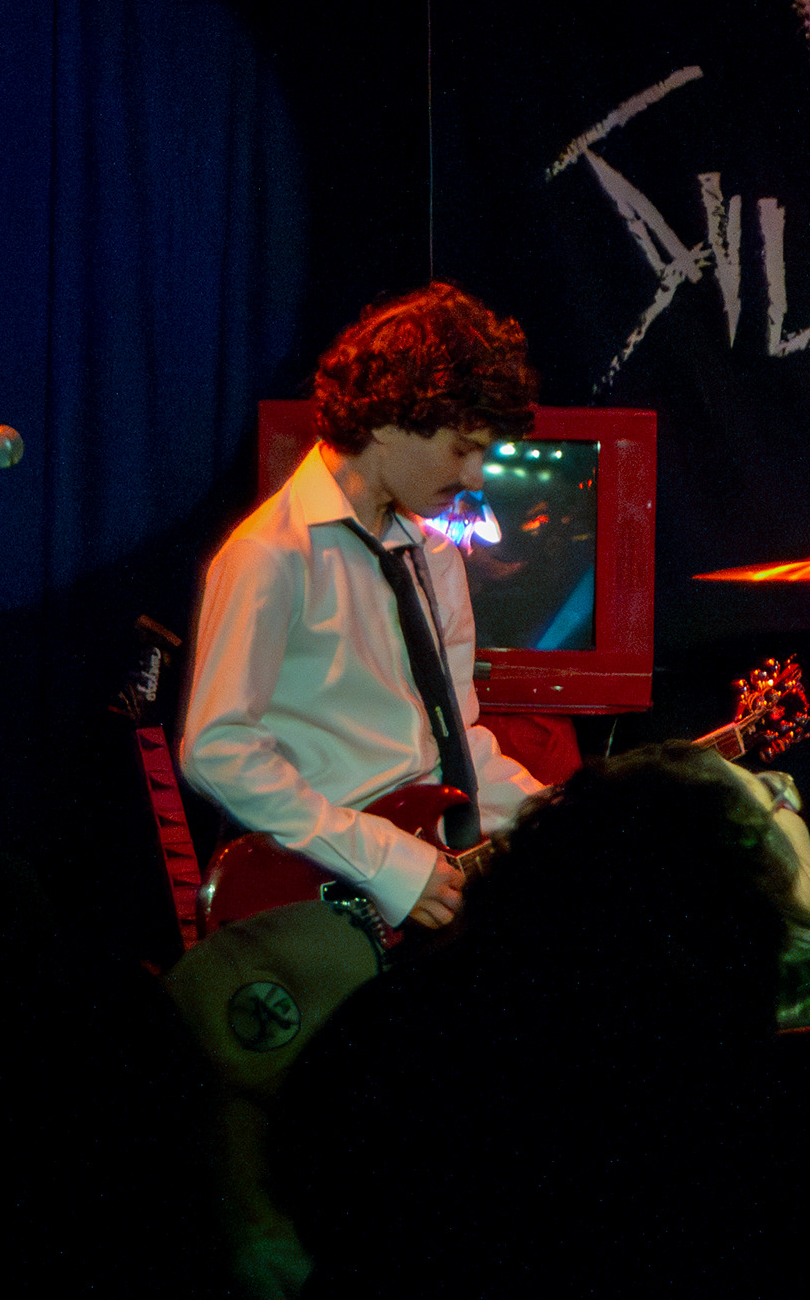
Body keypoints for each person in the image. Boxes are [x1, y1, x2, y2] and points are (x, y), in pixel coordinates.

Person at [182, 283, 547, 933]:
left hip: (427, 878)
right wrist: (382, 860)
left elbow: (454, 746)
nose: (476, 477)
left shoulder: (435, 557)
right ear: (384, 422)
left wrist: (560, 815)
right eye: (461, 448)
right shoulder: (271, 554)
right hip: (325, 900)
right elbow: (217, 749)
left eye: (484, 452)